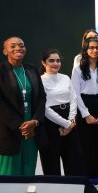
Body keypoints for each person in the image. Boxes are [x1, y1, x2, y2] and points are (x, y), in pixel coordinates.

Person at [0, 37, 46, 176]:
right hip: (8, 129)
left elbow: (41, 97)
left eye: (21, 45)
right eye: (12, 46)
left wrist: (35, 121)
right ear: (5, 51)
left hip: (31, 129)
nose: (18, 48)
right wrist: (20, 125)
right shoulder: (1, 71)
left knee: (28, 170)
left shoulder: (31, 70)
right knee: (9, 173)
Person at [71, 37, 98, 177]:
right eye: (91, 48)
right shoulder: (78, 69)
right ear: (86, 50)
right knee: (86, 142)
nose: (94, 50)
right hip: (85, 105)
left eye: (97, 47)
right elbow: (75, 92)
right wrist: (85, 114)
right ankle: (87, 175)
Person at [39, 49, 84, 176]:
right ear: (43, 63)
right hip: (50, 122)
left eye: (58, 60)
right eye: (51, 60)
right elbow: (45, 108)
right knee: (51, 159)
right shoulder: (40, 80)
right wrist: (66, 124)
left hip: (70, 119)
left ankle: (74, 188)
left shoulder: (65, 77)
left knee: (74, 159)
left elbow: (73, 98)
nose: (55, 63)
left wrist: (70, 120)